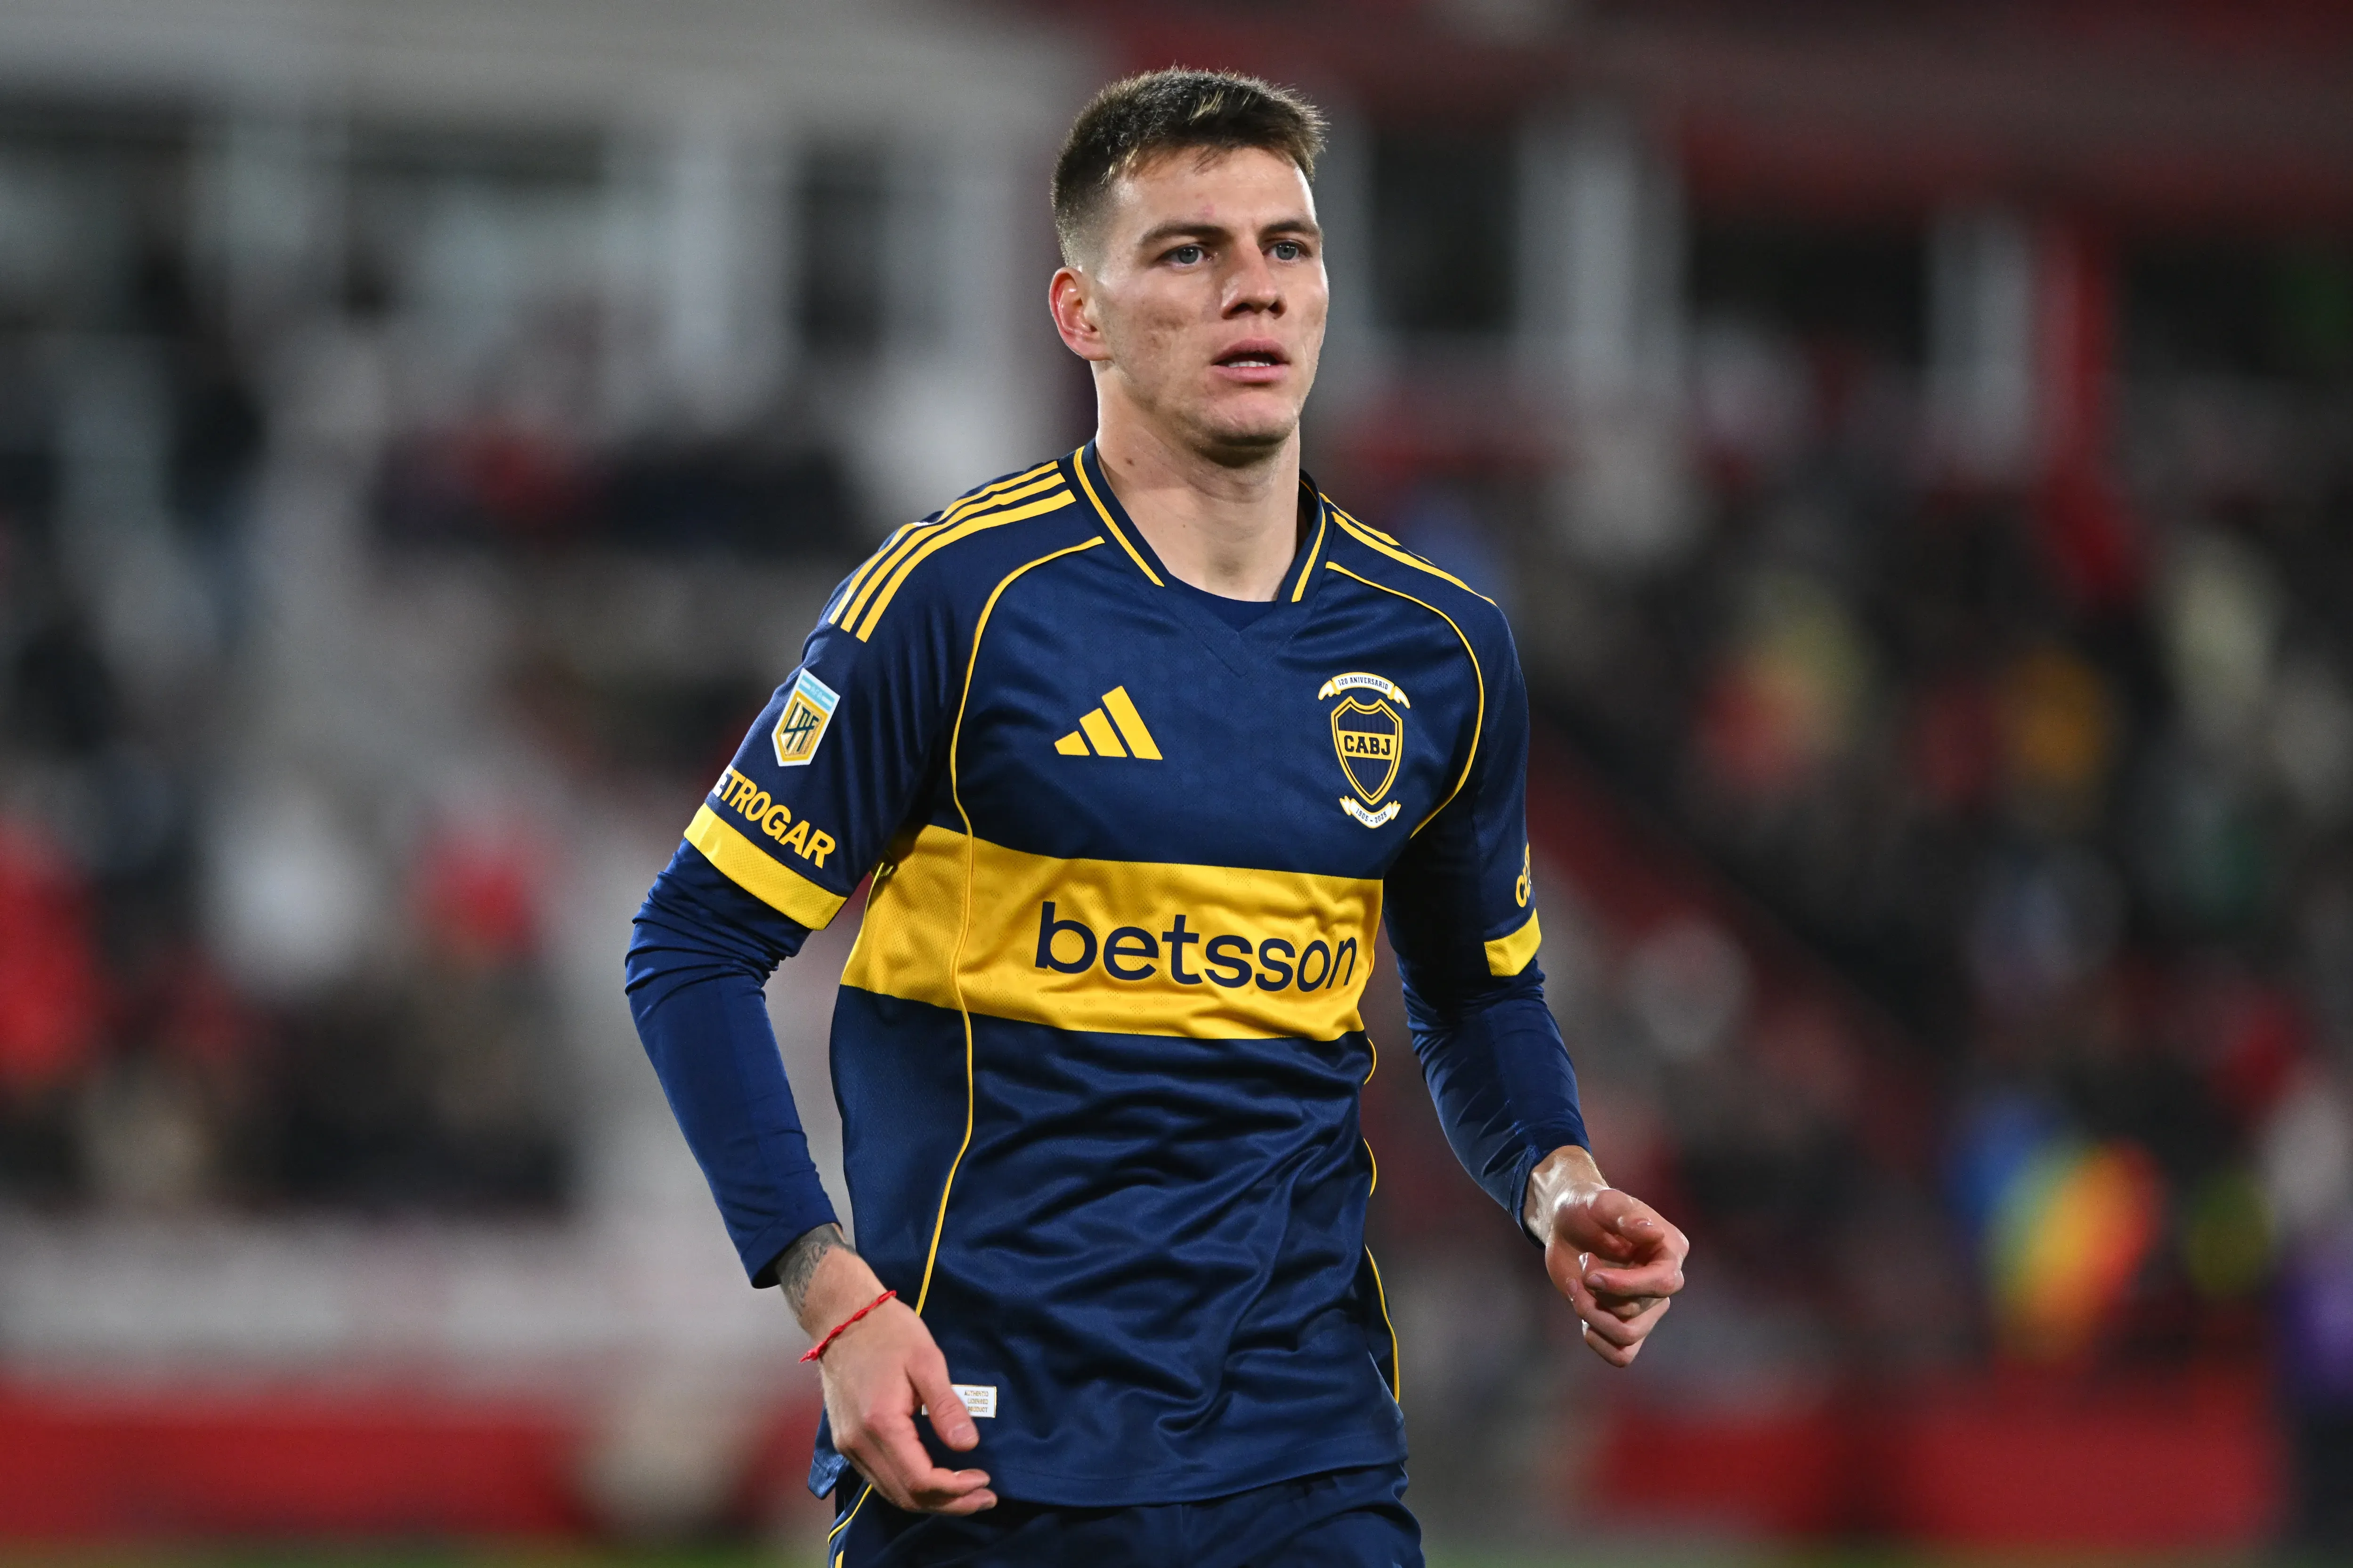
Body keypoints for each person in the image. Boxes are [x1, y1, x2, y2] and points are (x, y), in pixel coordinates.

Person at [625, 67, 1687, 1568]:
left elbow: (1475, 992)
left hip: (1306, 1452)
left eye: (1287, 247)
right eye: (1189, 251)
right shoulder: (956, 602)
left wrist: (1554, 1179)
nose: (1252, 288)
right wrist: (832, 1297)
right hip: (987, 1451)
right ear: (1079, 313)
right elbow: (689, 948)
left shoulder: (1437, 647)